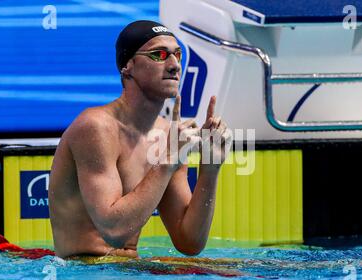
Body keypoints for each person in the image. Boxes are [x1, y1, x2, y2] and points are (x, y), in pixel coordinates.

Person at [49, 20, 232, 259]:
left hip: (131, 273)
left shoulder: (169, 135)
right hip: (88, 274)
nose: (175, 65)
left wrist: (210, 168)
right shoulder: (96, 127)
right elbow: (113, 231)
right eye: (160, 54)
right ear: (127, 66)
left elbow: (189, 242)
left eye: (177, 54)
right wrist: (168, 160)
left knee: (259, 271)